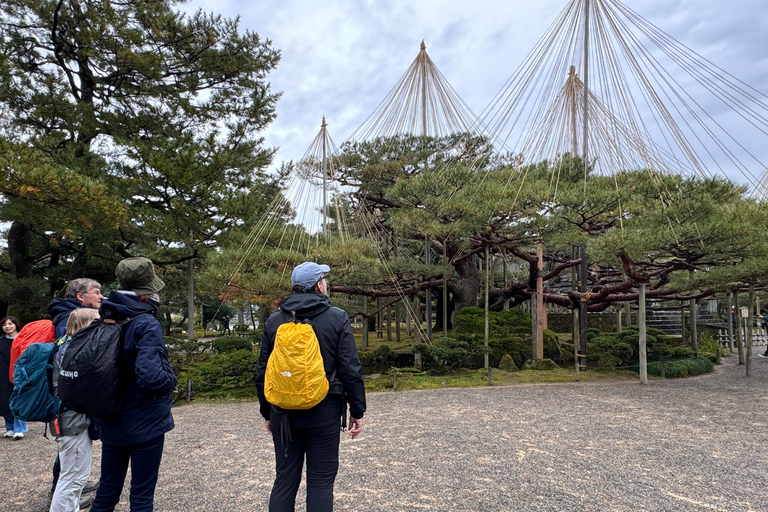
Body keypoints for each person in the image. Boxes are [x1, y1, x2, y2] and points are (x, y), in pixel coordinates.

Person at [256, 261, 366, 512]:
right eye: (325, 279)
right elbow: (351, 369)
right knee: (320, 483)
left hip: (283, 414)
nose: (326, 283)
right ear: (319, 285)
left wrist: (267, 412)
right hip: (324, 411)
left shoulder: (275, 321)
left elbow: (262, 372)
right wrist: (357, 411)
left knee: (284, 481)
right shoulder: (337, 317)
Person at [90, 257, 177, 512]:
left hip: (111, 415)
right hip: (144, 419)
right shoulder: (145, 322)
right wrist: (170, 379)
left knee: (107, 490)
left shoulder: (104, 316)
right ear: (145, 293)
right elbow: (150, 376)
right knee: (141, 494)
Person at [46, 278, 103, 507]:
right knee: (72, 477)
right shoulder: (74, 350)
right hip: (73, 419)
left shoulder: (65, 343)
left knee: (73, 475)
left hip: (68, 418)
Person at [0, 316, 27, 440]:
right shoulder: (1, 342)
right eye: (4, 324)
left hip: (19, 373)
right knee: (5, 400)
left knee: (19, 400)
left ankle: (20, 428)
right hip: (4, 375)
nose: (7, 326)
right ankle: (10, 427)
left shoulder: (23, 340)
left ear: (16, 324)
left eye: (10, 324)